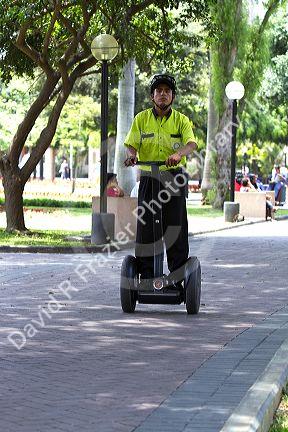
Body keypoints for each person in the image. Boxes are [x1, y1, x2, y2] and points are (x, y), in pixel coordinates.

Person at [124, 74, 197, 283]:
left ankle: (177, 276)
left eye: (167, 91)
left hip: (174, 178)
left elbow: (191, 143)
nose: (163, 94)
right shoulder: (141, 119)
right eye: (159, 91)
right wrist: (132, 156)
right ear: (152, 96)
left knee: (175, 226)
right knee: (146, 227)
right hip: (149, 177)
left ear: (172, 96)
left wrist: (178, 154)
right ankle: (146, 276)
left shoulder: (181, 120)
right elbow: (132, 144)